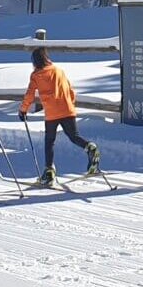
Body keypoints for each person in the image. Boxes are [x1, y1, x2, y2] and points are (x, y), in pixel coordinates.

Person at [19, 48, 99, 187]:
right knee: (74, 136)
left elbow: (30, 94)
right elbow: (70, 90)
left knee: (49, 142)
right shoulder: (59, 70)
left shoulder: (36, 75)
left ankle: (49, 172)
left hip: (52, 113)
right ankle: (89, 147)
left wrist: (23, 110)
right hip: (67, 109)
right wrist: (70, 104)